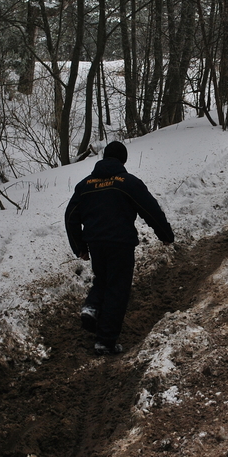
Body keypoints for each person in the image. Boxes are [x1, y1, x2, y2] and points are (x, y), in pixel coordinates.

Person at [64, 141, 174, 355]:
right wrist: (165, 235)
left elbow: (70, 217)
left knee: (103, 280)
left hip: (96, 243)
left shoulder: (85, 185)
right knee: (117, 289)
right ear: (123, 160)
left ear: (104, 158)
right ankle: (105, 341)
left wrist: (79, 246)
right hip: (120, 244)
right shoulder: (128, 182)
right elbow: (150, 209)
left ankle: (91, 307)